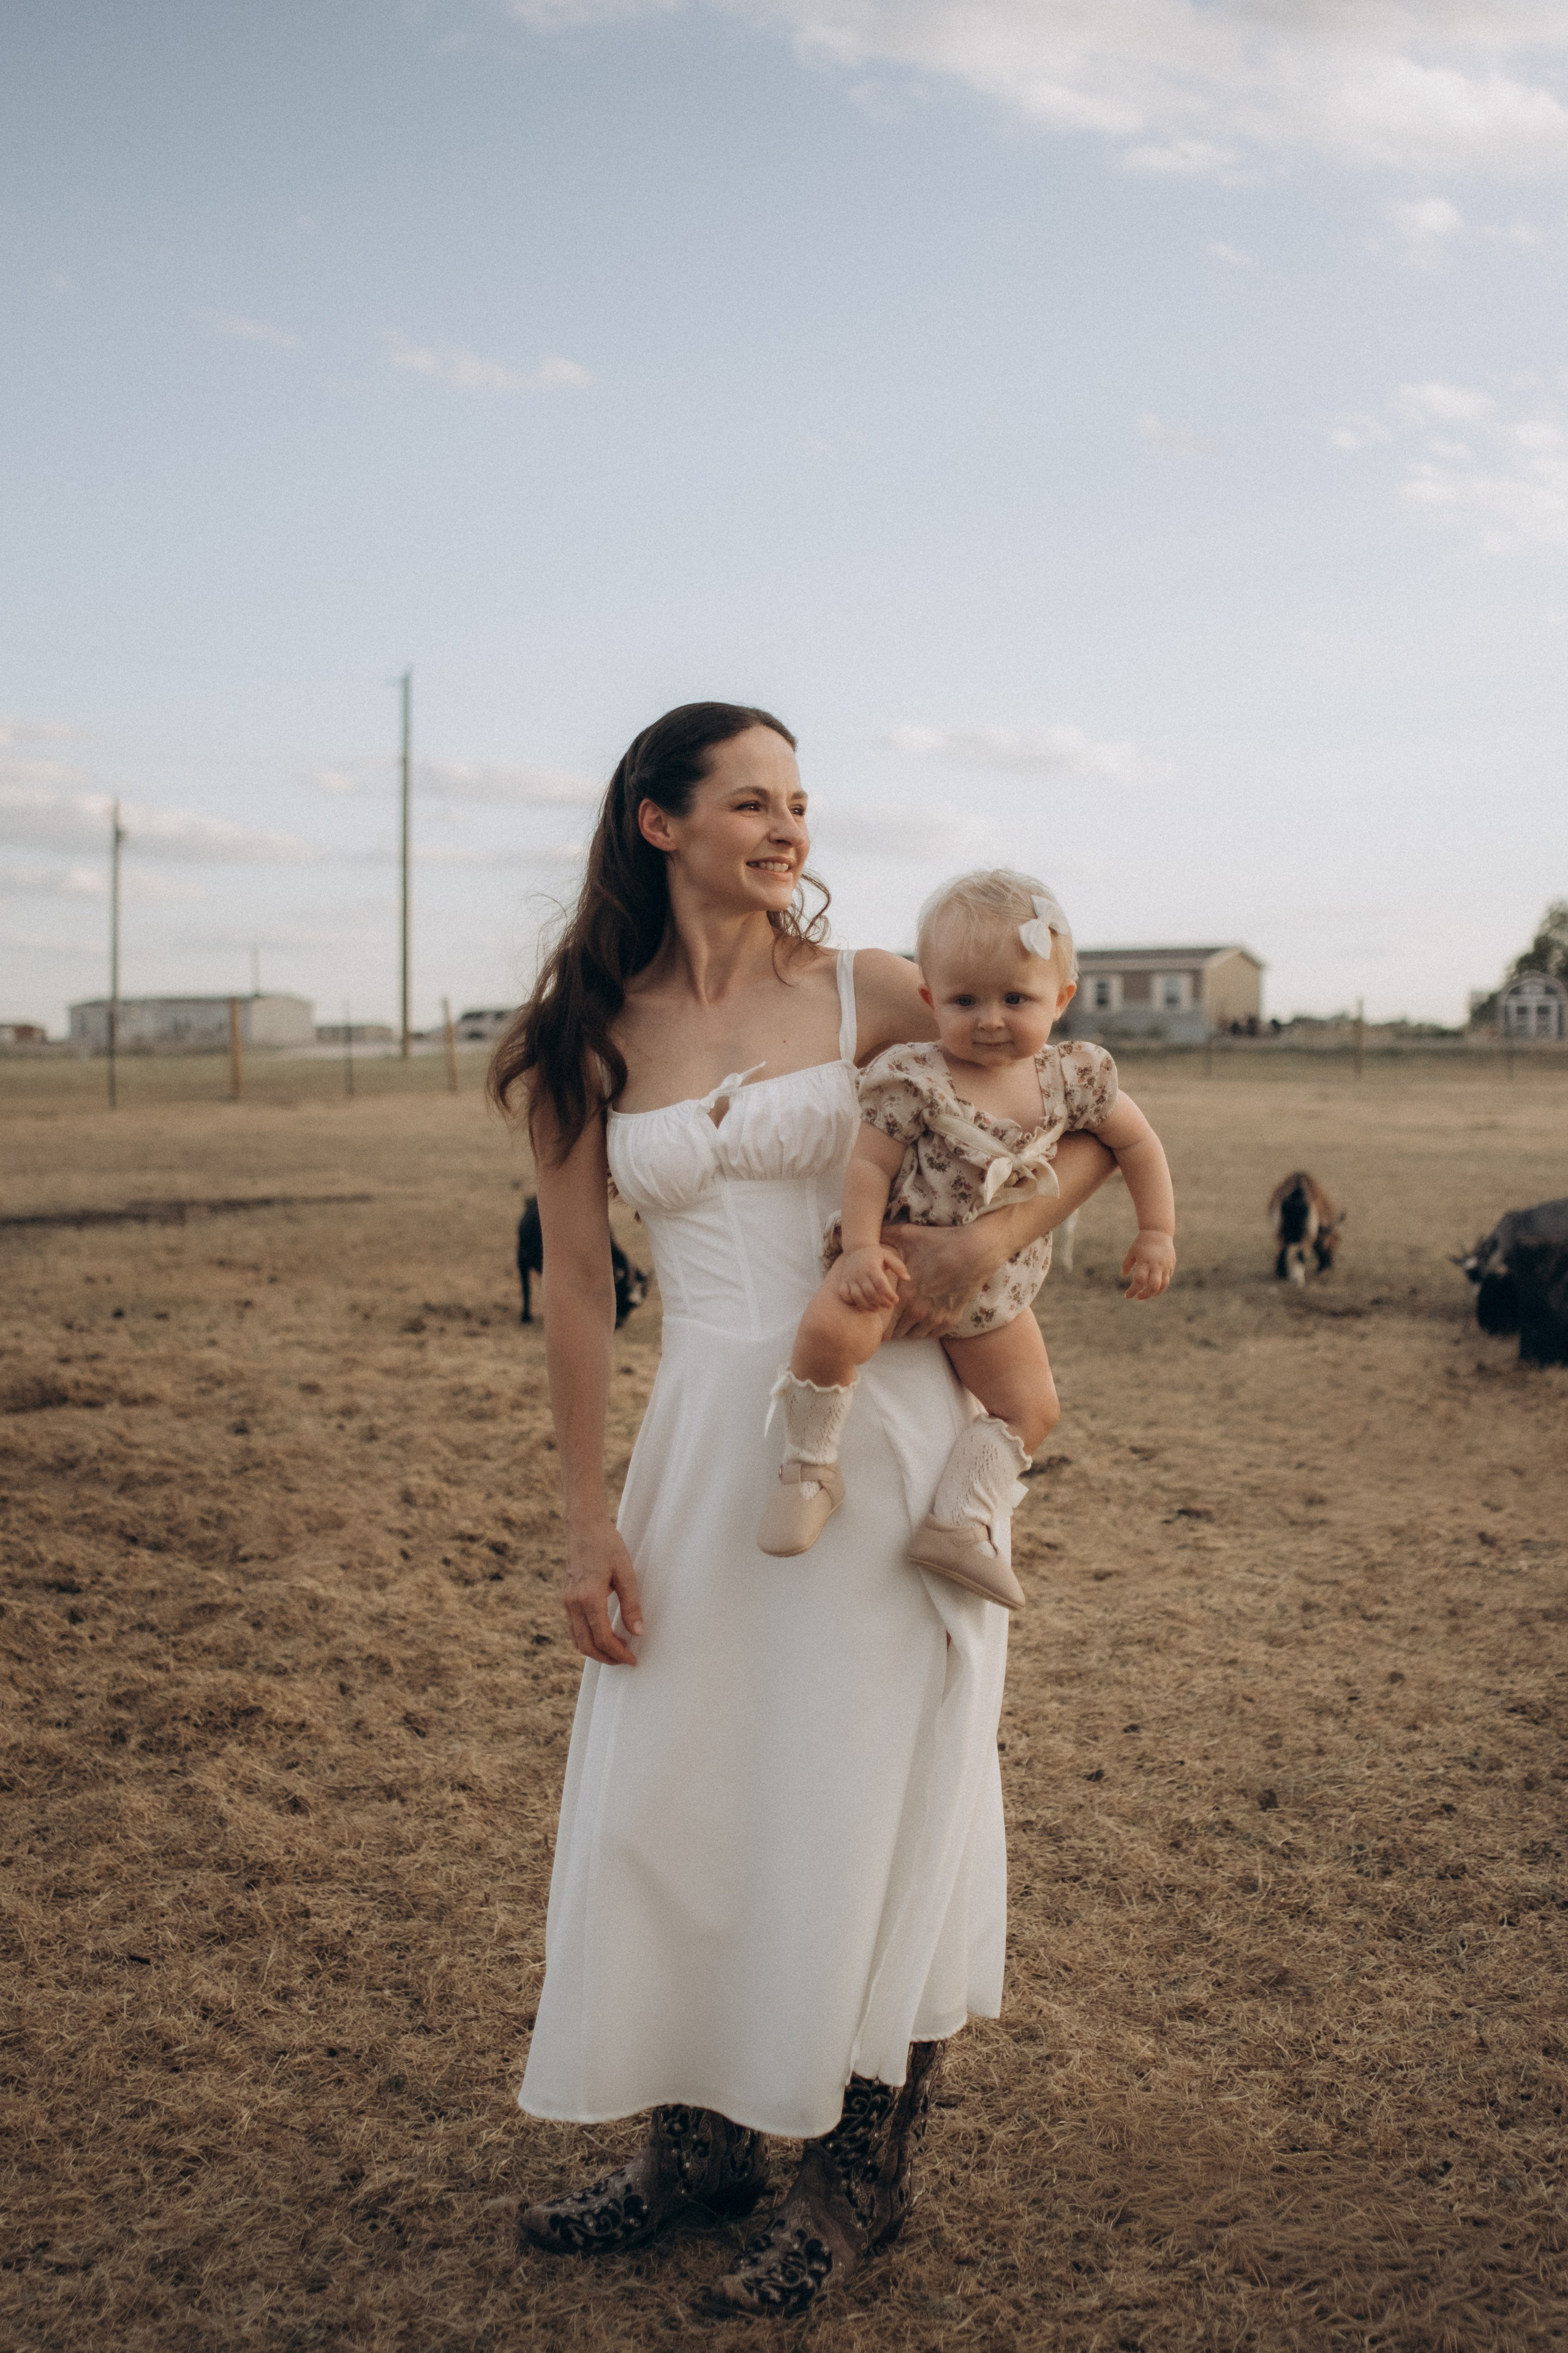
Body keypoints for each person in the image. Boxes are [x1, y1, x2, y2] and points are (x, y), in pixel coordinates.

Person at [489, 703, 1116, 2319]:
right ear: (659, 822)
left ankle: (860, 2176)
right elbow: (574, 1286)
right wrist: (582, 1517)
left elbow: (1086, 1121)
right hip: (702, 1444)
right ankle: (695, 2143)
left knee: (872, 1790)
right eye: (752, 802)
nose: (790, 830)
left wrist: (989, 1249)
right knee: (685, 1789)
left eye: (802, 803)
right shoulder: (582, 1035)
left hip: (891, 1430)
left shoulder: (875, 992)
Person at [758, 867, 1176, 1609]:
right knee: (827, 1331)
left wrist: (1156, 1232)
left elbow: (1138, 1145)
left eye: (1016, 999)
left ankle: (960, 1520)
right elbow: (866, 1168)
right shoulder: (913, 1076)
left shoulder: (1072, 1078)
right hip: (893, 1257)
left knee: (1032, 1408)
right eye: (964, 1000)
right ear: (929, 1000)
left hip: (998, 1285)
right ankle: (810, 1466)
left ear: (1062, 1000)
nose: (990, 1018)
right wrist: (859, 1251)